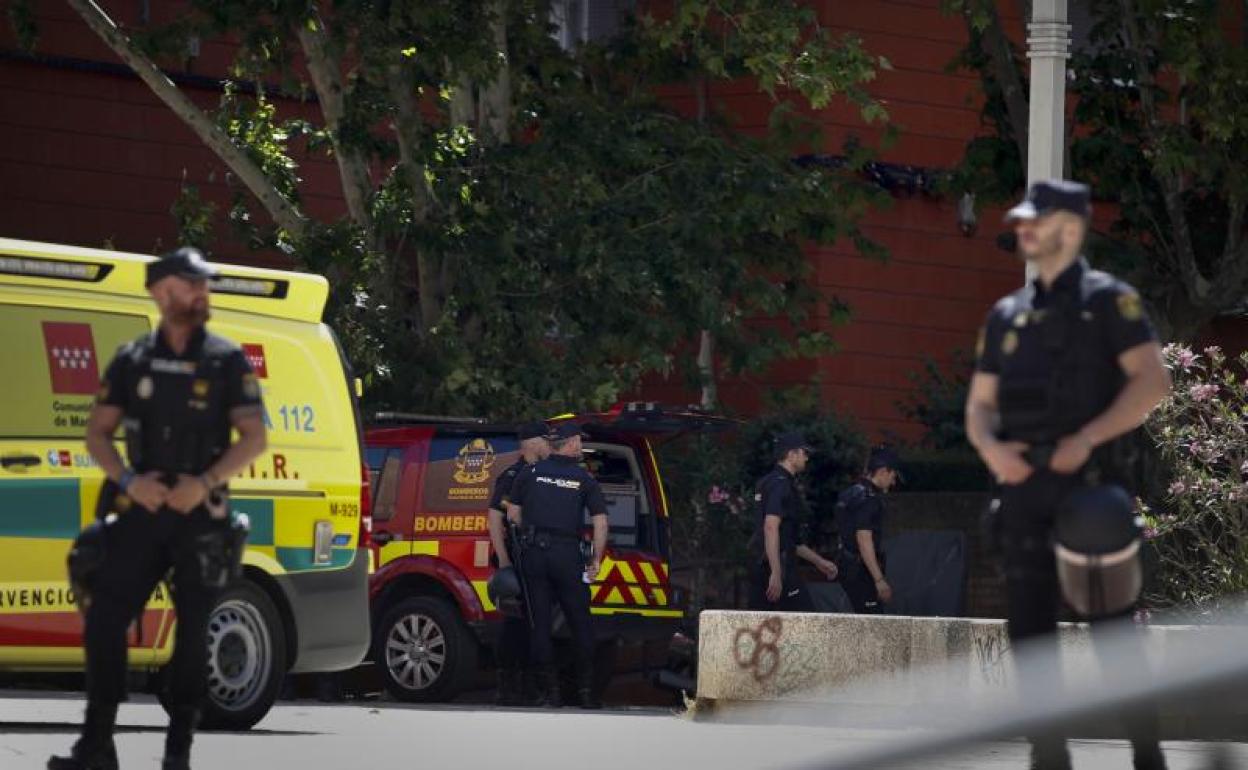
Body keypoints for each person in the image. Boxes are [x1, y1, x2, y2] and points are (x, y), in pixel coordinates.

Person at [965, 180, 1171, 770]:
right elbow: (980, 404)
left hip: (1088, 490)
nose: (1023, 230)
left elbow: (1153, 383)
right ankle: (1047, 754)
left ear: (1072, 229)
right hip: (1024, 486)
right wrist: (990, 449)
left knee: (1112, 628)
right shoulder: (1007, 315)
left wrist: (1086, 438)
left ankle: (1146, 751)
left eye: (1037, 221)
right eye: (1022, 221)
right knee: (1028, 630)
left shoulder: (1110, 302)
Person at [51, 248, 268, 770]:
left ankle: (178, 752)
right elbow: (97, 434)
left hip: (199, 510)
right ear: (162, 291)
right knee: (104, 621)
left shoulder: (225, 360)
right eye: (193, 285)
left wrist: (205, 482)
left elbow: (254, 437)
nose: (202, 294)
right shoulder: (132, 360)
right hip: (140, 506)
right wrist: (128, 479)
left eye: (204, 286)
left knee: (194, 632)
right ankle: (96, 745)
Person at [505, 422, 608, 709]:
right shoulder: (583, 479)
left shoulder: (529, 473)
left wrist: (530, 536)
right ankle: (586, 694)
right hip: (566, 555)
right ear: (572, 443)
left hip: (534, 555)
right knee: (580, 622)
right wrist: (595, 559)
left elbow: (513, 515)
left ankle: (550, 695)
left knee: (539, 623)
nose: (581, 446)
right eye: (580, 442)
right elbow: (600, 521)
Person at [486, 421, 552, 706]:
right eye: (546, 440)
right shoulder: (513, 475)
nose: (549, 445)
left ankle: (530, 683)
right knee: (515, 624)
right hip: (517, 558)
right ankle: (508, 683)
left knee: (535, 623)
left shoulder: (544, 473)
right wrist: (503, 559)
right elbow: (494, 518)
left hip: (540, 558)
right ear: (533, 443)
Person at [747, 431, 838, 612]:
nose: (806, 458)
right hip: (778, 567)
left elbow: (789, 539)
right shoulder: (782, 484)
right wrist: (776, 571)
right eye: (804, 453)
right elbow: (771, 526)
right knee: (805, 621)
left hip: (765, 563)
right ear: (791, 454)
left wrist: (819, 562)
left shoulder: (767, 482)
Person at [834, 446, 902, 614]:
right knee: (872, 624)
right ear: (883, 471)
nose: (893, 482)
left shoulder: (850, 494)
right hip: (860, 571)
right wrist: (879, 579)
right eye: (893, 476)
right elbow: (864, 539)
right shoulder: (869, 499)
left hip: (846, 563)